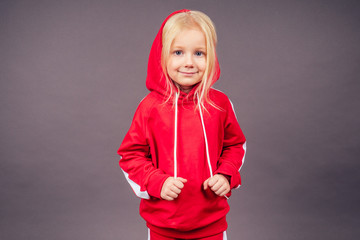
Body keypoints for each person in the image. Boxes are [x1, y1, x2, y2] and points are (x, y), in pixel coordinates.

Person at [117, 9, 247, 240]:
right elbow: (130, 156)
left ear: (212, 58)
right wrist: (156, 182)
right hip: (163, 225)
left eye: (199, 53)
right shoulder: (150, 107)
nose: (189, 62)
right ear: (162, 56)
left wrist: (226, 175)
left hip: (212, 224)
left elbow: (236, 146)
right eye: (178, 52)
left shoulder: (220, 104)